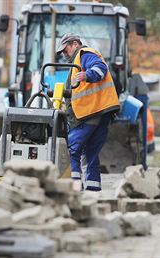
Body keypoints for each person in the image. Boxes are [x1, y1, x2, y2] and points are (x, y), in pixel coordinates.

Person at [56, 33, 120, 191]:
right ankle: (93, 189)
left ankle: (75, 189)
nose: (64, 54)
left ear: (75, 44)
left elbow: (100, 69)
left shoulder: (84, 54)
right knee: (90, 152)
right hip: (101, 111)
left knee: (72, 149)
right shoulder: (77, 63)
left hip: (90, 112)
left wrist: (87, 75)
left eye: (66, 49)